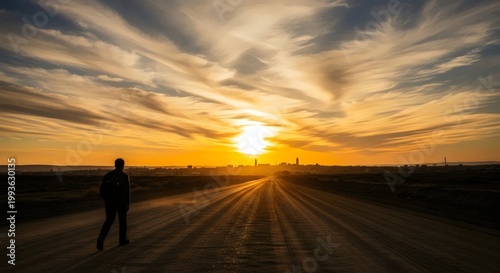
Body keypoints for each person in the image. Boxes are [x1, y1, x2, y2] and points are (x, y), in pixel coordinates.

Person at [96, 158, 131, 251]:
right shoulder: (124, 176)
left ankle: (101, 237)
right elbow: (127, 192)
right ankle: (122, 240)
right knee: (122, 222)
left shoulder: (108, 175)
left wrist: (106, 200)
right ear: (123, 166)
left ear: (115, 165)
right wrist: (127, 203)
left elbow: (102, 191)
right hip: (121, 203)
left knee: (109, 221)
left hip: (110, 203)